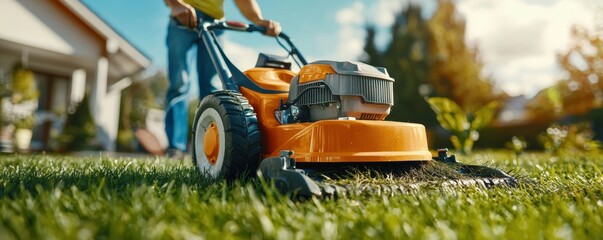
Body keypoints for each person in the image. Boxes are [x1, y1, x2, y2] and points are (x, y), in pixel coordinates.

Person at [163, 0, 281, 159]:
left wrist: (259, 20)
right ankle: (175, 148)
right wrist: (175, 4)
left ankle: (208, 147)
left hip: (214, 23)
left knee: (212, 89)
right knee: (179, 83)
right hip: (182, 16)